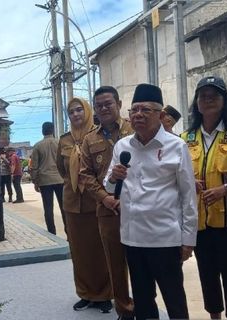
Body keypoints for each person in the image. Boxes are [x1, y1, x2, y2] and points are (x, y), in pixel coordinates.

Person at [105, 84, 197, 320]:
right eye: (134, 110)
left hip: (165, 238)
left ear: (160, 115)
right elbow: (109, 186)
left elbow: (188, 196)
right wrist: (113, 177)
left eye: (145, 110)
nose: (138, 115)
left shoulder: (176, 146)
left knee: (174, 298)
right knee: (143, 301)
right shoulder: (122, 147)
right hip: (133, 238)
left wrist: (188, 239)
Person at [181, 76, 227, 319]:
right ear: (197, 103)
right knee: (207, 272)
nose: (208, 100)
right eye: (203, 96)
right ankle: (214, 316)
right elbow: (177, 174)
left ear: (224, 101)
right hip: (200, 220)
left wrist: (225, 189)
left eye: (214, 95)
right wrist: (188, 182)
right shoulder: (186, 137)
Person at [80, 86, 134, 319]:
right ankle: (124, 310)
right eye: (99, 105)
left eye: (108, 104)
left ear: (119, 104)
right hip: (107, 211)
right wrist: (105, 198)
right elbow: (85, 175)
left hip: (138, 209)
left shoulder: (136, 129)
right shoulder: (89, 139)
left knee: (142, 262)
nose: (103, 109)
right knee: (115, 264)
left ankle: (145, 307)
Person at [57, 97, 112, 312]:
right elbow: (62, 170)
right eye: (71, 112)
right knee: (79, 251)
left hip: (96, 201)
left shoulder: (99, 135)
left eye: (80, 110)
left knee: (101, 249)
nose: (76, 114)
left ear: (87, 111)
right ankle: (86, 293)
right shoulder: (64, 140)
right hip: (73, 203)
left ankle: (106, 294)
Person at [31, 122, 65, 235]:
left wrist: (35, 181)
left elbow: (34, 166)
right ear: (53, 130)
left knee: (48, 208)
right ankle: (69, 233)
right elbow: (65, 162)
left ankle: (52, 233)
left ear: (42, 131)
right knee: (64, 207)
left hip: (45, 180)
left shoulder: (37, 146)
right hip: (60, 179)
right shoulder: (60, 143)